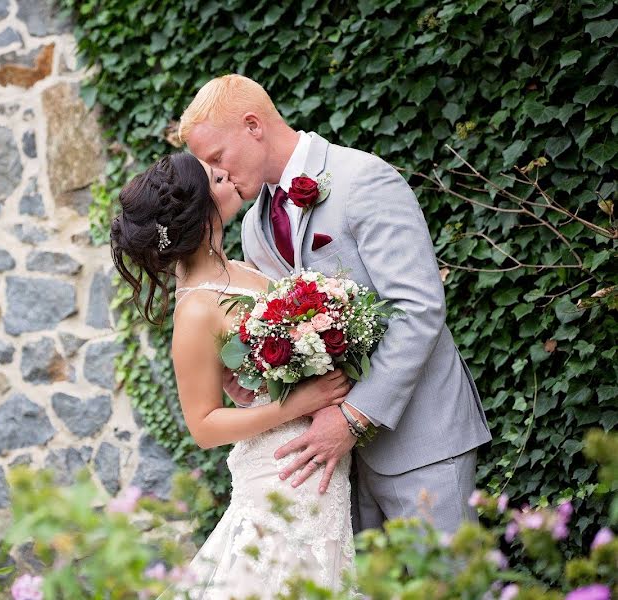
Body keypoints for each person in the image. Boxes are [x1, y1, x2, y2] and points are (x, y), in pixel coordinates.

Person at [179, 74, 492, 535]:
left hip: (421, 439)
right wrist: (256, 377)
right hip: (334, 468)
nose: (215, 176)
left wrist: (352, 417)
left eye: (216, 157)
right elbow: (289, 329)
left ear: (253, 125)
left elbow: (418, 307)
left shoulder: (362, 179)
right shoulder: (254, 228)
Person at [111, 152, 356, 596]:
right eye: (215, 178)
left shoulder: (243, 269)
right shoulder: (196, 309)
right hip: (281, 470)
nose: (228, 175)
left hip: (314, 456)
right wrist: (295, 403)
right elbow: (204, 426)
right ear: (198, 212)